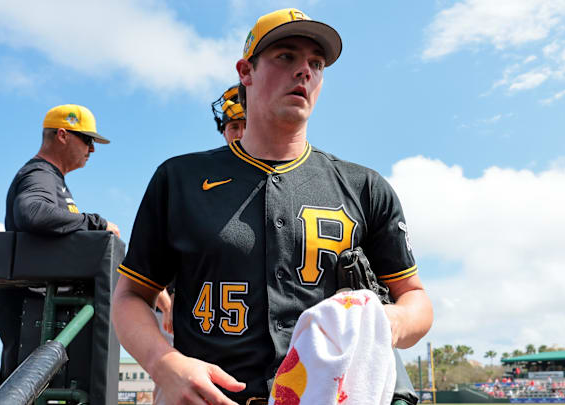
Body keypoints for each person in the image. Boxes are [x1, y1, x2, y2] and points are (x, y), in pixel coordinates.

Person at [112, 8, 432, 405]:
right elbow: (130, 297)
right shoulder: (179, 178)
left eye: (316, 63)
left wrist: (379, 321)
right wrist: (163, 363)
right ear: (246, 71)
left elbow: (416, 300)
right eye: (286, 57)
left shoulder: (364, 186)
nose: (305, 72)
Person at [0, 104, 120, 385]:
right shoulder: (40, 174)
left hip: (39, 303)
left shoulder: (51, 178)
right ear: (62, 135)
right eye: (87, 140)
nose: (92, 149)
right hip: (30, 303)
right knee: (22, 391)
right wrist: (97, 223)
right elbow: (33, 212)